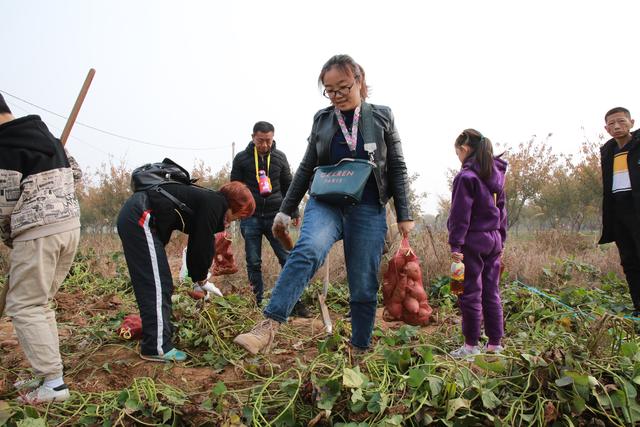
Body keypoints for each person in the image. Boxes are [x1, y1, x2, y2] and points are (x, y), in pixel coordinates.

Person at [234, 54, 415, 355]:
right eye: (330, 91)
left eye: (343, 87)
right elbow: (307, 167)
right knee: (308, 250)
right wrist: (286, 209)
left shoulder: (382, 116)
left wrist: (405, 214)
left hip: (368, 206)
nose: (337, 96)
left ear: (359, 81)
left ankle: (359, 348)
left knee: (363, 281)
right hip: (326, 202)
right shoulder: (322, 119)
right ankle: (268, 325)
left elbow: (396, 166)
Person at [0, 94, 82, 404]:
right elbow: (75, 173)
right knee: (40, 303)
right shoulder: (44, 133)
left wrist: (10, 236)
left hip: (37, 232)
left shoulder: (4, 145)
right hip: (69, 226)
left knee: (23, 305)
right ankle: (47, 373)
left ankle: (54, 386)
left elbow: (4, 203)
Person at [117, 180, 255, 362]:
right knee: (156, 284)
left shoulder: (210, 201)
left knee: (162, 282)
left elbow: (198, 243)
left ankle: (159, 337)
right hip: (141, 217)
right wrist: (202, 279)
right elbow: (201, 244)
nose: (234, 221)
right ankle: (156, 347)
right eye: (238, 216)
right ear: (235, 206)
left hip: (140, 217)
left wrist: (199, 278)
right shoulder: (215, 204)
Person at [230, 121, 309, 316]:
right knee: (253, 261)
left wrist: (295, 212)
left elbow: (289, 185)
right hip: (251, 217)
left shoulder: (280, 157)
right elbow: (235, 188)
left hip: (276, 215)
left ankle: (294, 302)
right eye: (260, 141)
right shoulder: (241, 159)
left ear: (273, 138)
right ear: (253, 138)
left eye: (268, 140)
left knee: (287, 258)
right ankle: (257, 303)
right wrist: (234, 213)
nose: (264, 145)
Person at [447, 129, 507, 358]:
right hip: (493, 240)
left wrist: (456, 245)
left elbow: (460, 215)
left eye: (458, 154)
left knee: (469, 292)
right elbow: (502, 212)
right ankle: (494, 344)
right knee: (491, 291)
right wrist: (501, 238)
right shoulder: (495, 175)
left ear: (464, 149)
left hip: (472, 241)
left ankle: (470, 346)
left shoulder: (466, 177)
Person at [599, 107, 640, 316]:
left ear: (631, 122)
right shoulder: (608, 151)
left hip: (636, 209)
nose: (617, 126)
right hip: (618, 212)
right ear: (606, 128)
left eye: (621, 121)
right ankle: (638, 308)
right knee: (630, 262)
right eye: (612, 123)